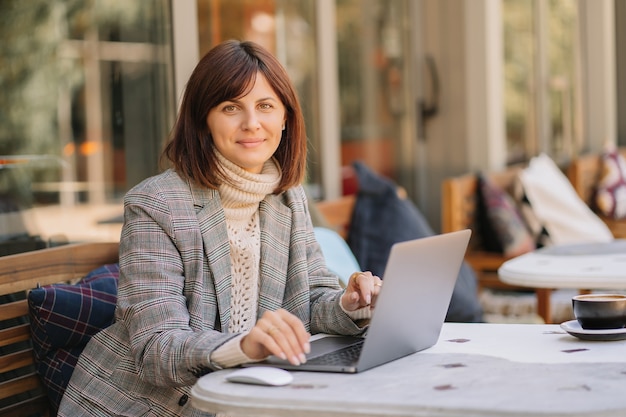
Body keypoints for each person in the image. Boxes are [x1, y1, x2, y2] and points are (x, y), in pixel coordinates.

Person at [58, 39, 382, 417]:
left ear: (285, 118)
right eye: (231, 108)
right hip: (147, 407)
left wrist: (351, 303)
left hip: (245, 398)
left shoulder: (287, 198)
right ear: (203, 120)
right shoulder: (156, 205)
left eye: (265, 106)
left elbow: (310, 297)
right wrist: (245, 347)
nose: (251, 123)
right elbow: (156, 348)